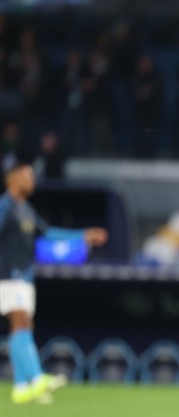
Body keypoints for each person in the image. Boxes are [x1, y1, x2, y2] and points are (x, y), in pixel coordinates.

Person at [1, 159, 108, 404]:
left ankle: (21, 386)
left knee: (24, 326)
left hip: (25, 275)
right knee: (20, 321)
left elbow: (47, 233)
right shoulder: (6, 206)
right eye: (27, 176)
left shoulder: (25, 209)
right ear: (12, 179)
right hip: (8, 275)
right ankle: (36, 377)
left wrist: (82, 235)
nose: (32, 181)